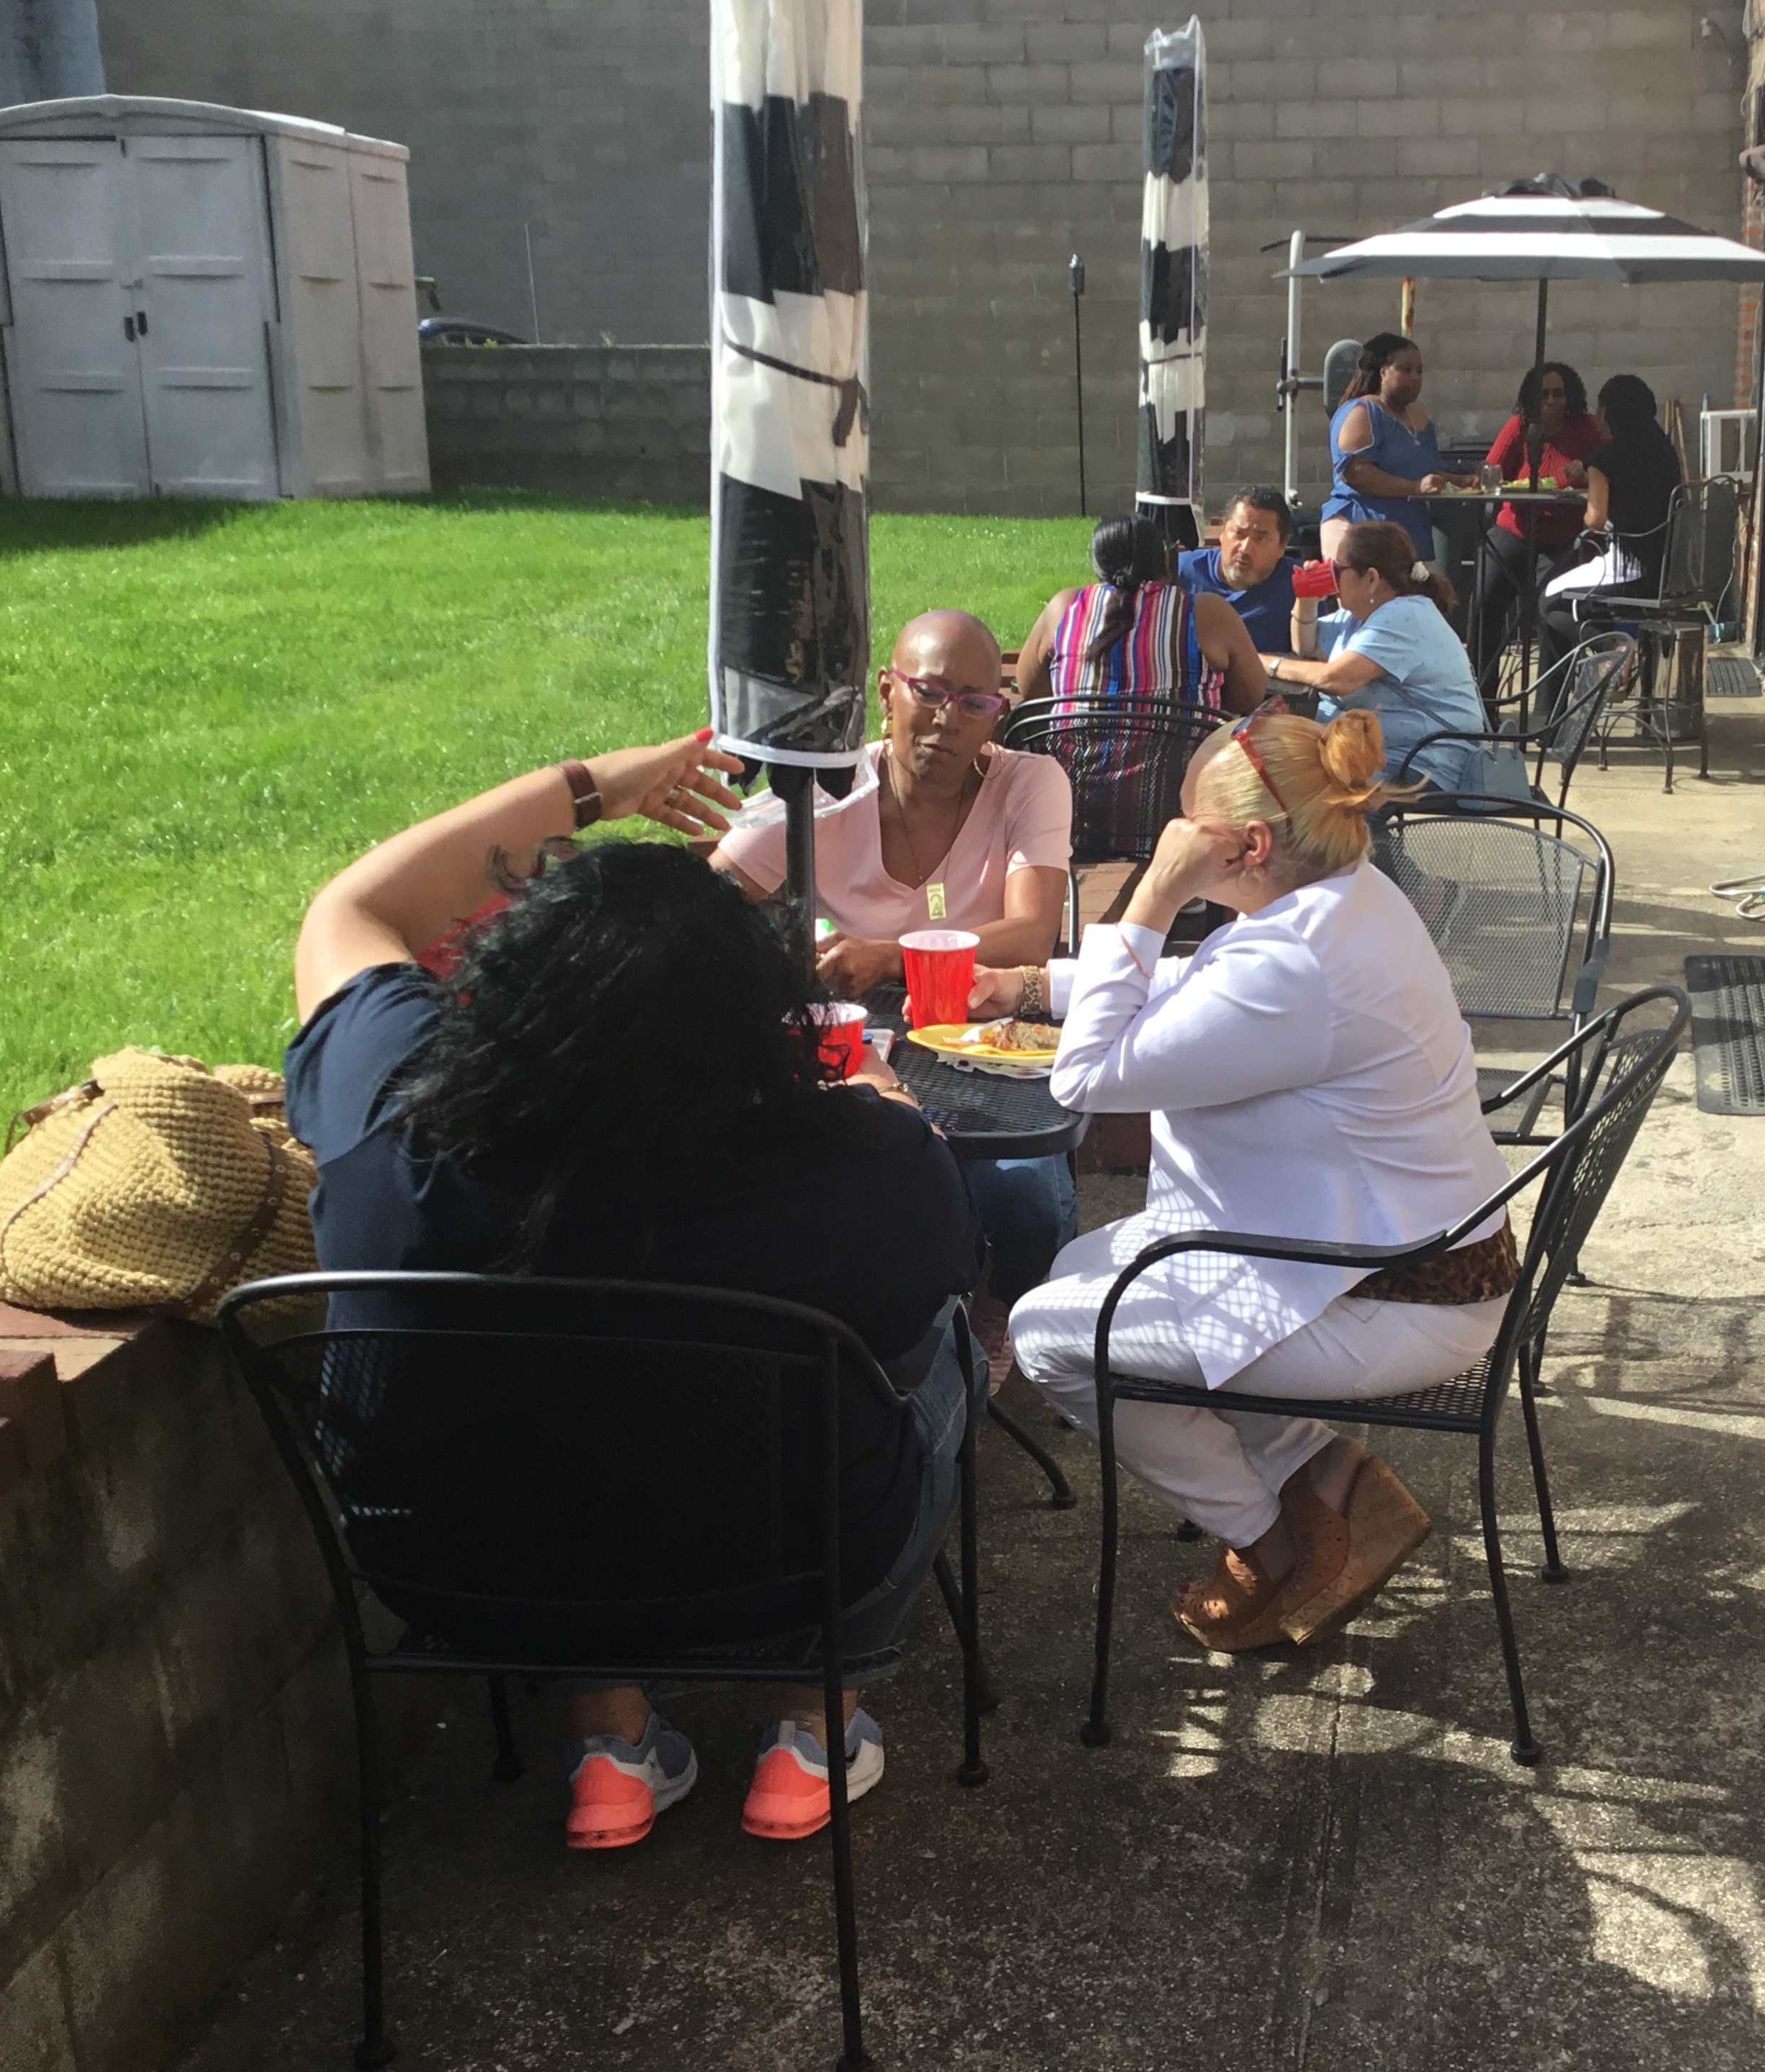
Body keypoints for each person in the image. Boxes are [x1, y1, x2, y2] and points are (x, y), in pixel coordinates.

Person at [286, 732, 982, 1851]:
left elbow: (352, 910)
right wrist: (886, 1099)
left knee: (557, 1426)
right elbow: (929, 1278)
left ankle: (608, 1741)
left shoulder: (393, 1115)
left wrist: (593, 788)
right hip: (787, 1570)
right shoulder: (856, 1168)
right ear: (759, 1031)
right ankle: (813, 1726)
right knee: (947, 1351)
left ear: (494, 992)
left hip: (460, 1584)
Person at [989, 707, 1517, 1650]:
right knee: (1079, 1265)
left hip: (1391, 1299)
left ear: (1249, 845)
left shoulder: (1297, 963)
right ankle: (1324, 1483)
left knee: (1051, 1336)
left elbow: (1086, 1077)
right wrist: (1033, 989)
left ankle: (1277, 1546)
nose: (1175, 842)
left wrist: (1153, 891)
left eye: (1189, 828)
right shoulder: (1346, 895)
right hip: (1393, 1253)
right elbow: (1203, 989)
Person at [714, 610, 1080, 1363]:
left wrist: (885, 955)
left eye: (975, 702)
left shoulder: (1028, 783)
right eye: (931, 692)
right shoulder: (822, 789)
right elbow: (711, 899)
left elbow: (1033, 931)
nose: (949, 720)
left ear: (997, 715)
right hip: (854, 1051)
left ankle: (998, 1313)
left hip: (991, 1048)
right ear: (886, 690)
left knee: (1025, 1200)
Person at [1260, 520, 1489, 794]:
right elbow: (1307, 649)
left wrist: (1263, 663)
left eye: (1337, 569)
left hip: (1424, 762)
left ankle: (1359, 838)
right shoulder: (1360, 613)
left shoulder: (1403, 615)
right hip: (1381, 753)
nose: (1331, 576)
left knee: (1304, 793)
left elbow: (1335, 679)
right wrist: (1307, 599)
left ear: (1371, 579)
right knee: (1273, 771)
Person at [1016, 512, 1268, 719]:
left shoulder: (1065, 608)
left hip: (1071, 777)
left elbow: (1030, 690)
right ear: (1164, 560)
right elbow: (1249, 697)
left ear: (1097, 563)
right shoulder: (1207, 612)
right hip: (1183, 777)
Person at [1471, 360, 1601, 673]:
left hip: (1564, 538)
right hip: (1515, 529)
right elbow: (1491, 472)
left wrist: (1587, 469)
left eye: (1559, 394)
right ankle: (1481, 699)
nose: (1552, 402)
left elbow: (1609, 468)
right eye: (1544, 395)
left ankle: (1550, 710)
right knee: (1484, 601)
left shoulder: (1588, 428)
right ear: (1532, 398)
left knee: (1556, 610)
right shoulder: (1519, 426)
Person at [1544, 372, 1688, 654]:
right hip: (1669, 571)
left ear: (1607, 412)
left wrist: (1593, 485)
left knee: (1550, 599)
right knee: (1570, 598)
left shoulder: (1604, 458)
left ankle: (1613, 649)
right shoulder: (1666, 451)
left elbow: (1595, 520)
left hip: (1629, 569)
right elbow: (1638, 486)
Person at [1320, 332, 1479, 567]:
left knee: (1416, 603)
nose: (1415, 377)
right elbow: (1357, 473)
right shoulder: (1362, 412)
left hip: (1411, 535)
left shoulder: (1421, 420)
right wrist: (1414, 487)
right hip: (1362, 529)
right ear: (1383, 372)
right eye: (1405, 369)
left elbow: (1424, 472)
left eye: (1420, 371)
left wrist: (1462, 480)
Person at [1174, 486, 1301, 653]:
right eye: (1239, 534)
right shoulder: (1179, 572)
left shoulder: (1298, 584)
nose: (1245, 548)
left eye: (1261, 538)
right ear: (1222, 531)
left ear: (1282, 546)